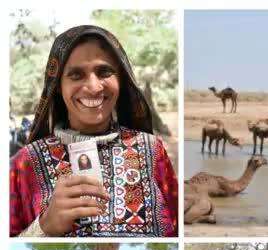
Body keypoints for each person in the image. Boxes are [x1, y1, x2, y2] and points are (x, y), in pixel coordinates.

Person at [10, 25, 178, 238]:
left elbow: (176, 228)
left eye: (104, 72)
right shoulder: (24, 165)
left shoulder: (153, 150)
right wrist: (45, 226)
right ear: (58, 86)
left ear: (121, 79)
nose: (93, 87)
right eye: (76, 75)